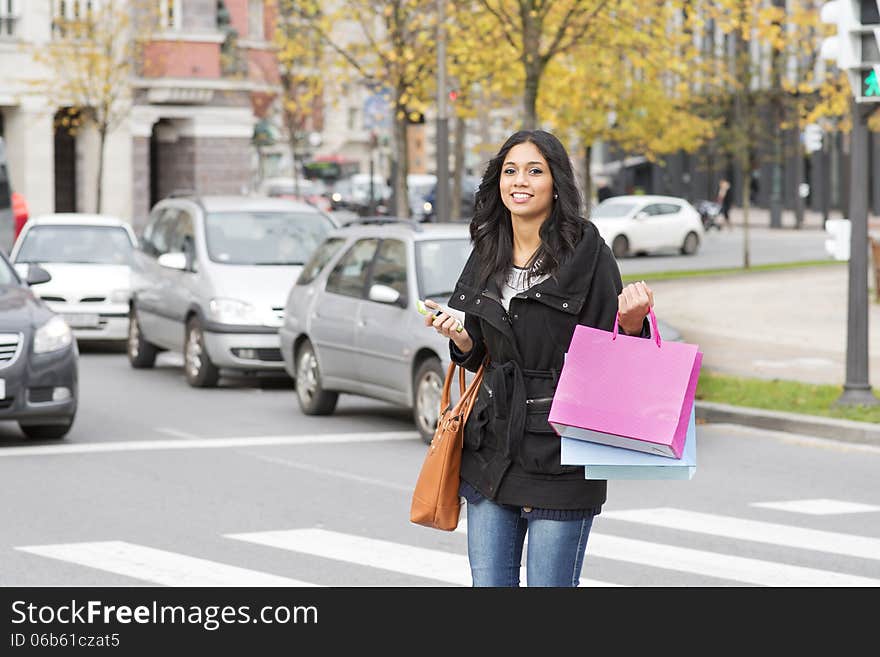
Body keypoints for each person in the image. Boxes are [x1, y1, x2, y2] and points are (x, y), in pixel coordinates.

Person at [422, 130, 654, 587]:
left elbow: (620, 359)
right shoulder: (488, 250)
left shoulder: (588, 252)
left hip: (562, 449)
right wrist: (460, 338)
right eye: (510, 171)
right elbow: (479, 350)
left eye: (534, 170)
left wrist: (632, 322)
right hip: (492, 451)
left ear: (555, 183)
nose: (519, 181)